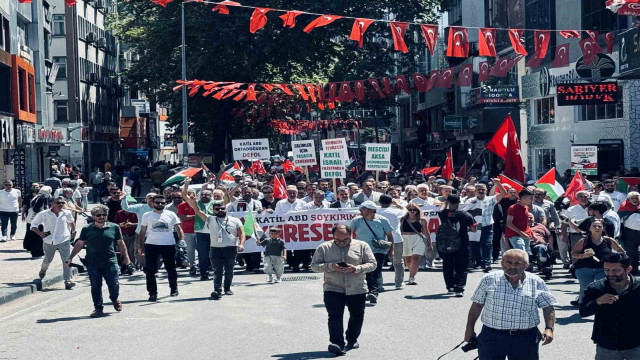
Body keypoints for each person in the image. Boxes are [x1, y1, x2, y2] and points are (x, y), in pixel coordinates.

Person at [464, 249, 557, 360]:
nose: (512, 266)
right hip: (492, 337)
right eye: (509, 262)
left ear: (526, 265)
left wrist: (549, 328)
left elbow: (548, 307)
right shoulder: (488, 279)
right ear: (502, 263)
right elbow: (477, 305)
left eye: (518, 263)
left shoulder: (536, 282)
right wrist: (469, 328)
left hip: (526, 338)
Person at [311, 224, 377, 356]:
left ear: (351, 235)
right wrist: (330, 266)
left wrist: (356, 268)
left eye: (345, 240)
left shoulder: (362, 246)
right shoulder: (324, 247)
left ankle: (352, 339)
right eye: (338, 240)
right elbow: (314, 266)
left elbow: (373, 264)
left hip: (356, 287)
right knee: (335, 316)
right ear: (333, 236)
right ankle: (337, 343)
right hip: (332, 287)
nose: (341, 242)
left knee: (357, 316)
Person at [67, 205, 130, 317]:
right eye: (98, 215)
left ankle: (114, 298)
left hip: (110, 261)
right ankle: (98, 308)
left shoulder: (114, 227)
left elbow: (120, 243)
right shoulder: (87, 229)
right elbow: (80, 244)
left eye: (104, 215)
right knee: (95, 285)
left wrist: (126, 257)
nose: (101, 217)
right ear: (94, 216)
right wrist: (70, 257)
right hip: (93, 262)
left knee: (114, 283)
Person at [580, 253, 640, 358]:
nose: (610, 273)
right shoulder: (596, 288)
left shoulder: (638, 287)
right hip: (607, 345)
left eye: (615, 270)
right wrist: (597, 302)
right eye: (607, 270)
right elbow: (583, 311)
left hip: (636, 344)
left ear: (628, 269)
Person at [185, 195, 245, 300]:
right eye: (217, 209)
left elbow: (242, 233)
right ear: (214, 211)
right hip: (215, 249)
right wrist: (194, 202)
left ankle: (227, 288)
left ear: (225, 209)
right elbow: (198, 211)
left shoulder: (235, 220)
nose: (220, 210)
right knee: (217, 270)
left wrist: (241, 244)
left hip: (230, 248)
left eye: (222, 208)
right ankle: (217, 290)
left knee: (229, 269)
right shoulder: (210, 219)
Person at [137, 195, 184, 301]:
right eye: (157, 202)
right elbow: (142, 231)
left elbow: (178, 228)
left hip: (168, 245)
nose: (160, 205)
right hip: (151, 245)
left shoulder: (171, 214)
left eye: (162, 203)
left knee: (171, 269)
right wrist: (140, 246)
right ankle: (152, 293)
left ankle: (174, 289)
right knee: (150, 270)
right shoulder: (147, 215)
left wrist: (182, 240)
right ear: (152, 203)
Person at [571, 219, 625, 306]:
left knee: (603, 287)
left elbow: (620, 250)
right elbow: (574, 253)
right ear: (589, 228)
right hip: (584, 268)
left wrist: (619, 260)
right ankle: (584, 305)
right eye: (594, 226)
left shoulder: (608, 240)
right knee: (585, 287)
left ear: (603, 228)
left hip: (603, 268)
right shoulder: (584, 241)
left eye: (599, 226)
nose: (597, 228)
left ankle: (602, 306)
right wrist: (583, 256)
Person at [349, 201, 393, 305]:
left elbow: (390, 236)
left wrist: (391, 250)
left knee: (376, 271)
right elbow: (349, 233)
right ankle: (370, 291)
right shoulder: (357, 220)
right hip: (362, 250)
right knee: (367, 272)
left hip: (379, 250)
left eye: (363, 209)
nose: (361, 211)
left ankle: (374, 293)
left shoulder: (383, 220)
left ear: (371, 210)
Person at [30, 196, 76, 290]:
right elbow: (33, 225)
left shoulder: (66, 213)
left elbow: (71, 222)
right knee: (48, 260)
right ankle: (43, 269)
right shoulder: (43, 214)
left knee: (66, 260)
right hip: (49, 240)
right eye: (58, 203)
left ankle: (68, 280)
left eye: (63, 203)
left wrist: (73, 232)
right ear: (52, 204)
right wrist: (40, 233)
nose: (61, 205)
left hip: (64, 239)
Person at [463, 179, 505, 272]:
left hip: (487, 226)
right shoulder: (470, 201)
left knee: (487, 244)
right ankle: (479, 262)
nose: (481, 191)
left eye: (483, 189)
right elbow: (464, 212)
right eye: (479, 190)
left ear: (486, 190)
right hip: (475, 227)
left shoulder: (491, 199)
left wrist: (498, 184)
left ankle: (487, 263)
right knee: (474, 246)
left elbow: (503, 193)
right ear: (475, 191)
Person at [438, 194, 475, 297]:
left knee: (447, 265)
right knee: (462, 266)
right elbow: (473, 229)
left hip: (446, 243)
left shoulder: (443, 214)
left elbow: (441, 208)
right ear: (459, 202)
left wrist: (445, 201)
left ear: (449, 202)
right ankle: (459, 288)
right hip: (462, 243)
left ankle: (450, 286)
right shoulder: (465, 214)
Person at [183, 178, 215, 280]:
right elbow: (184, 195)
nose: (204, 196)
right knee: (203, 254)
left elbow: (228, 199)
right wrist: (186, 184)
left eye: (206, 195)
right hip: (201, 233)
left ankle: (216, 271)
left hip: (214, 232)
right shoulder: (195, 203)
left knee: (215, 253)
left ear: (211, 196)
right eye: (202, 194)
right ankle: (203, 273)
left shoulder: (216, 203)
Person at [377, 194, 407, 289]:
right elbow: (406, 210)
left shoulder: (375, 211)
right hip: (396, 239)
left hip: (379, 239)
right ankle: (399, 283)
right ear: (391, 203)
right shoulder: (396, 211)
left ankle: (378, 285)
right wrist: (398, 204)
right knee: (398, 262)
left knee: (378, 262)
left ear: (380, 202)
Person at [401, 203, 432, 283]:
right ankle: (412, 273)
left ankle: (411, 277)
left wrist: (429, 244)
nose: (412, 211)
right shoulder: (402, 219)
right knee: (407, 261)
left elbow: (426, 232)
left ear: (417, 211)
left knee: (415, 258)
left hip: (418, 238)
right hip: (405, 238)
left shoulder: (422, 220)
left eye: (414, 210)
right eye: (410, 209)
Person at [561, 190, 591, 266]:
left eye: (585, 197)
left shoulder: (593, 208)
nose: (583, 198)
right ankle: (576, 269)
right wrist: (564, 236)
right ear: (577, 198)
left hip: (590, 235)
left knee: (590, 252)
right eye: (581, 197)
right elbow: (564, 224)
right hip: (575, 235)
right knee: (575, 253)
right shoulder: (571, 209)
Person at [23, 186, 52, 258]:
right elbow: (36, 209)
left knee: (33, 235)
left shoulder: (37, 196)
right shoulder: (42, 198)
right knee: (38, 236)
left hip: (32, 219)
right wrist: (45, 212)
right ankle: (38, 252)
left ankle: (35, 251)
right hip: (38, 220)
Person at [505, 189, 535, 254]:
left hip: (526, 234)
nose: (532, 200)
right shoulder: (513, 208)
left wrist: (530, 232)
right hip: (514, 234)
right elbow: (509, 223)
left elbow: (525, 223)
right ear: (523, 198)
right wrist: (521, 233)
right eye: (531, 198)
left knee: (526, 254)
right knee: (521, 252)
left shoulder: (526, 207)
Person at [177, 188, 198, 276]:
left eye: (192, 194)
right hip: (187, 231)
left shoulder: (199, 204)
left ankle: (202, 265)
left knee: (201, 250)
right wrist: (196, 215)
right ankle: (192, 265)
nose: (190, 196)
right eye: (188, 194)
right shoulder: (181, 205)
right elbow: (182, 217)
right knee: (190, 250)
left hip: (199, 230)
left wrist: (192, 215)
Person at [619, 192, 640, 274]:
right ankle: (633, 270)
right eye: (632, 198)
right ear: (628, 199)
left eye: (637, 198)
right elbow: (620, 222)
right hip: (630, 233)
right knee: (631, 252)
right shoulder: (624, 208)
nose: (635, 200)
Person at [529, 213, 553, 278]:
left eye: (531, 217)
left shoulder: (540, 226)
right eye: (527, 217)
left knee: (540, 248)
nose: (529, 219)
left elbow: (549, 236)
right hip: (527, 245)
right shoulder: (520, 226)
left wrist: (550, 245)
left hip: (540, 244)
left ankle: (544, 266)